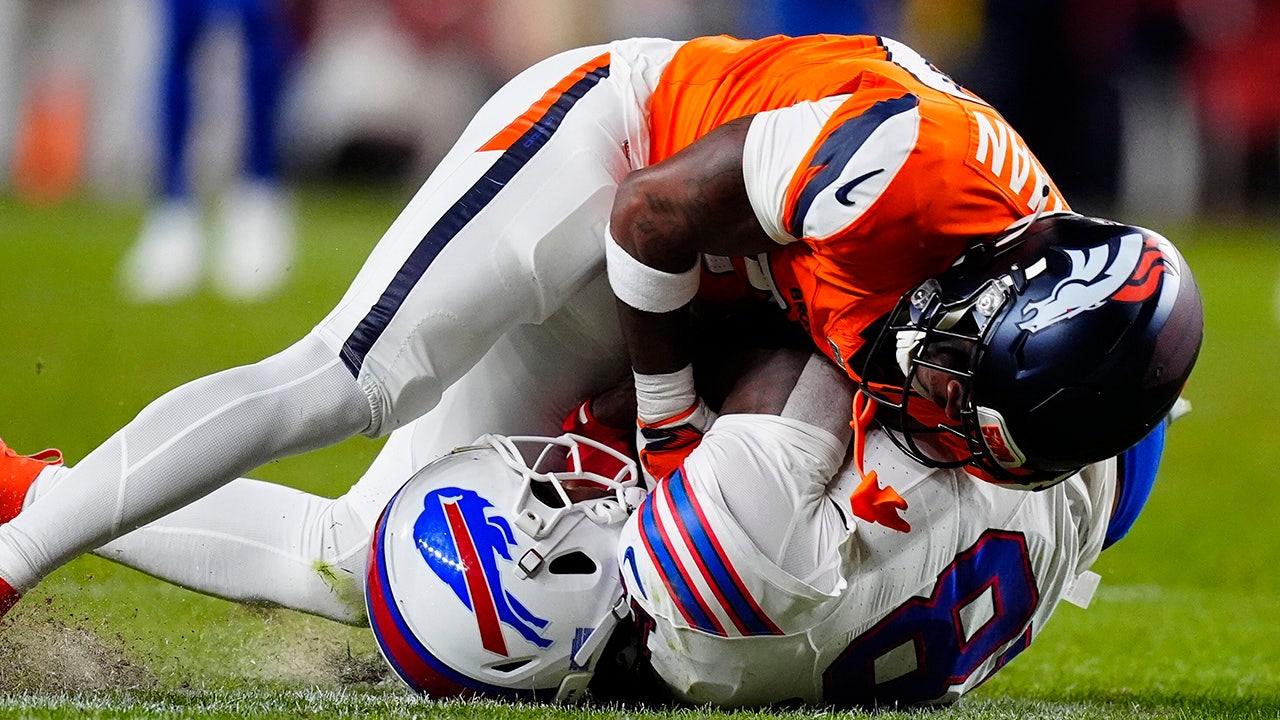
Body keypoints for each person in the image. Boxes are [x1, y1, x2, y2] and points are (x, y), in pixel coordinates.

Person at [0, 34, 1196, 618]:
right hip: (612, 155)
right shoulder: (903, 173)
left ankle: (16, 491)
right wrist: (667, 423)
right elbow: (650, 215)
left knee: (362, 564)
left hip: (715, 288)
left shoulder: (1024, 369)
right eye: (952, 388)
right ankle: (15, 563)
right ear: (992, 282)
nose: (934, 415)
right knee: (350, 379)